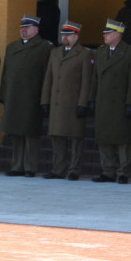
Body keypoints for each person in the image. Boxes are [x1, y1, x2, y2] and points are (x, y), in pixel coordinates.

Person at [91, 19, 131, 183]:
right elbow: (95, 78)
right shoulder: (100, 51)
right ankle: (107, 170)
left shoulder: (130, 52)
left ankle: (123, 172)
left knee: (123, 139)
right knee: (104, 137)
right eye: (105, 33)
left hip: (120, 101)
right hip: (104, 101)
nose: (104, 36)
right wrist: (91, 99)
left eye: (108, 33)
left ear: (118, 34)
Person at [0, 15, 52, 177]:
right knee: (15, 132)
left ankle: (30, 167)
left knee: (30, 134)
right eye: (22, 28)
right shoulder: (12, 47)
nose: (23, 30)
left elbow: (47, 75)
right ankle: (17, 165)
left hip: (32, 96)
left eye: (27, 28)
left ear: (36, 29)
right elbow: (6, 73)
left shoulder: (44, 47)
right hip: (13, 95)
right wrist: (3, 94)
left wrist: (45, 99)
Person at [40, 21, 93, 181]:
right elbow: (48, 78)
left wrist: (83, 103)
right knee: (57, 136)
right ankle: (58, 168)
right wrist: (45, 100)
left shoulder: (84, 54)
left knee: (75, 137)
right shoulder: (55, 52)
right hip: (57, 101)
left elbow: (86, 81)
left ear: (76, 36)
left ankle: (74, 169)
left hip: (73, 101)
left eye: (69, 35)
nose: (65, 37)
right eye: (63, 34)